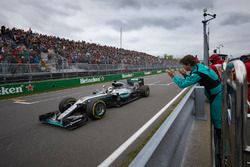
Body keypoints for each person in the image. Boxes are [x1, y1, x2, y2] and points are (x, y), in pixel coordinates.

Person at [167, 54, 222, 167]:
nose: (183, 67)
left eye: (184, 65)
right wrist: (184, 74)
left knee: (218, 124)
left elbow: (183, 84)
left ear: (188, 64)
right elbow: (194, 78)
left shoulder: (198, 72)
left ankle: (221, 152)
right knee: (217, 123)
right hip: (217, 93)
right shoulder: (199, 67)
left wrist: (173, 76)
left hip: (217, 96)